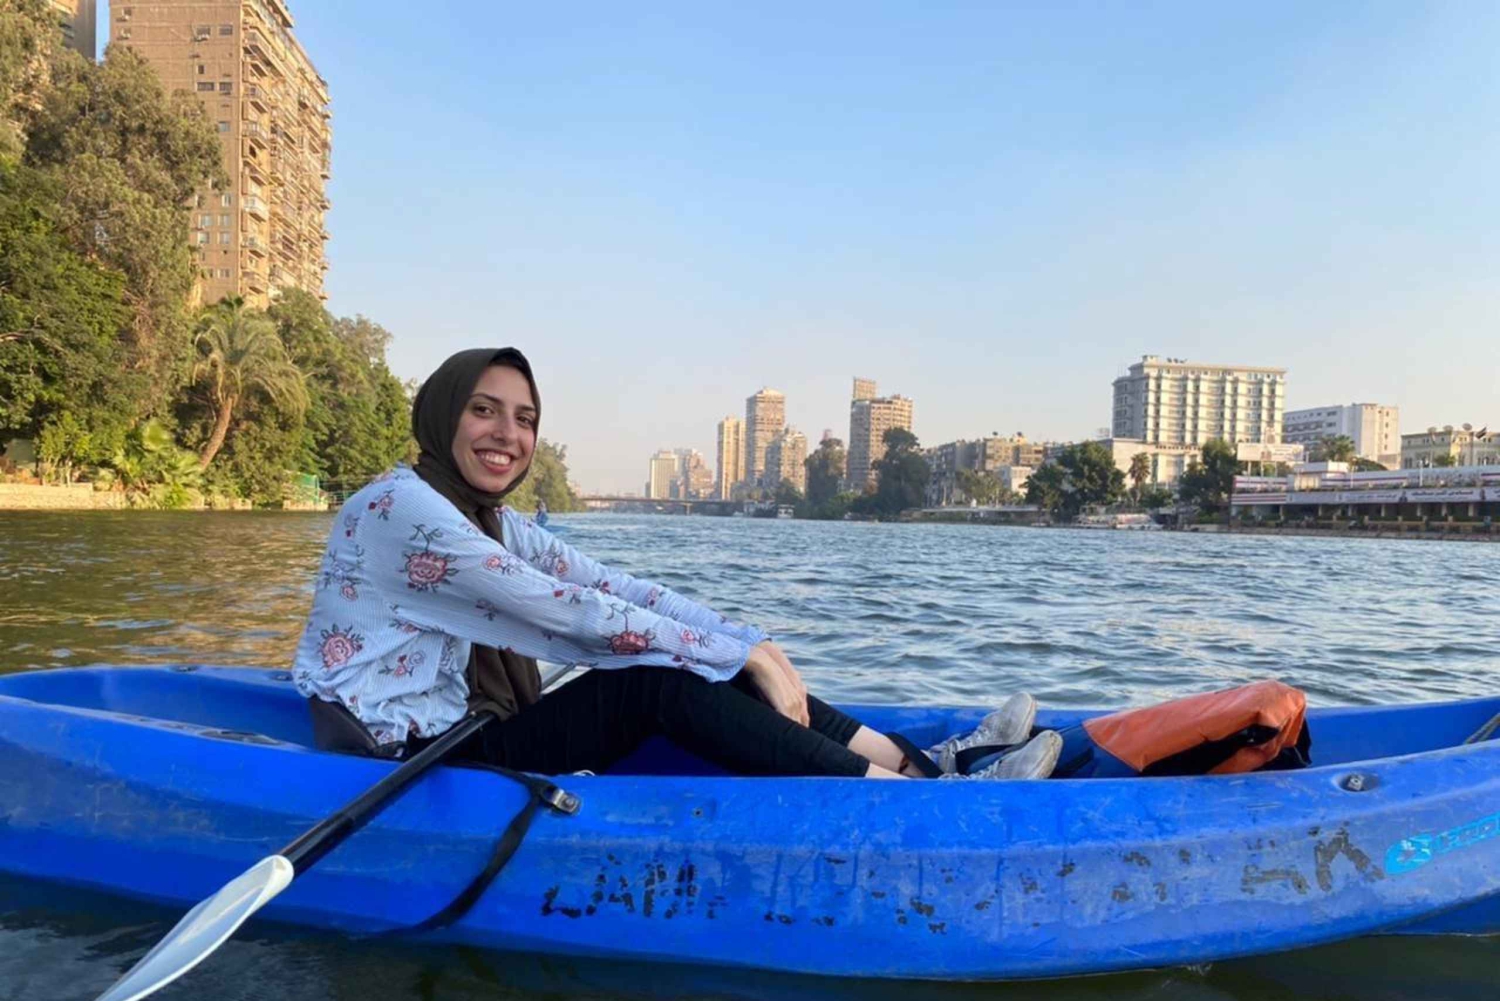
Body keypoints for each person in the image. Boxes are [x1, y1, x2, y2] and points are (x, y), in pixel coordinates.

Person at [292, 348, 1062, 780]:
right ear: (443, 412)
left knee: (704, 659)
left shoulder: (484, 516)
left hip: (467, 730)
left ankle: (924, 766)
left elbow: (612, 586)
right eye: (484, 409)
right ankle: (916, 804)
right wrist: (733, 652)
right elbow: (569, 616)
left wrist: (749, 645)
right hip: (407, 760)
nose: (507, 433)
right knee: (659, 676)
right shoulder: (402, 510)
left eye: (524, 418)